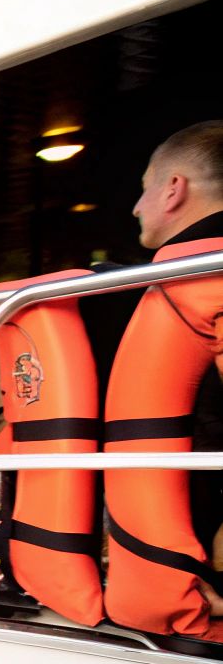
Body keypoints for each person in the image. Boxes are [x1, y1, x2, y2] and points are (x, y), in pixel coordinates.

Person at [130, 120, 223, 605]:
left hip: (201, 580)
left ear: (173, 190)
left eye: (144, 188)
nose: (136, 206)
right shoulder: (187, 279)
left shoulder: (205, 276)